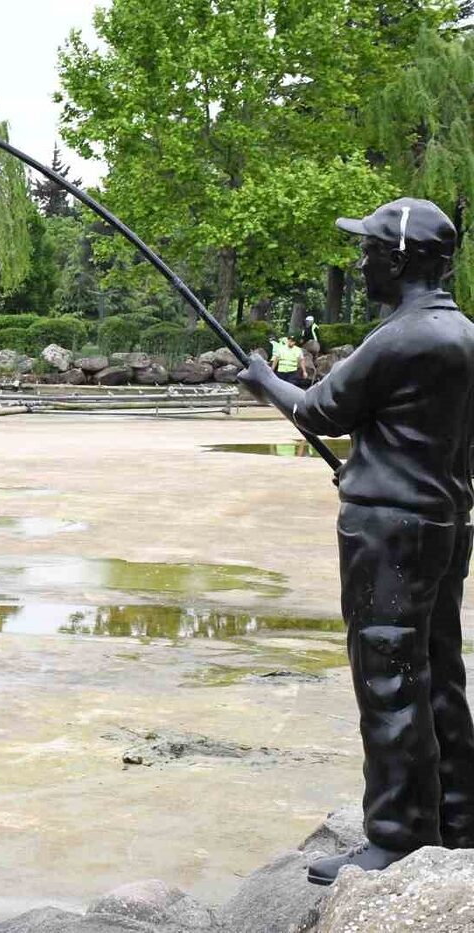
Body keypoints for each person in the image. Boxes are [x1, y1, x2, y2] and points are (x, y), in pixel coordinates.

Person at [238, 197, 474, 885]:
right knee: (438, 674)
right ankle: (458, 821)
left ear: (399, 260)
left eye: (369, 249)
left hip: (388, 533)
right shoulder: (462, 334)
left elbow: (319, 410)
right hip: (444, 524)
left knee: (389, 678)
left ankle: (397, 837)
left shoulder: (398, 338)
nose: (360, 260)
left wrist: (264, 382)